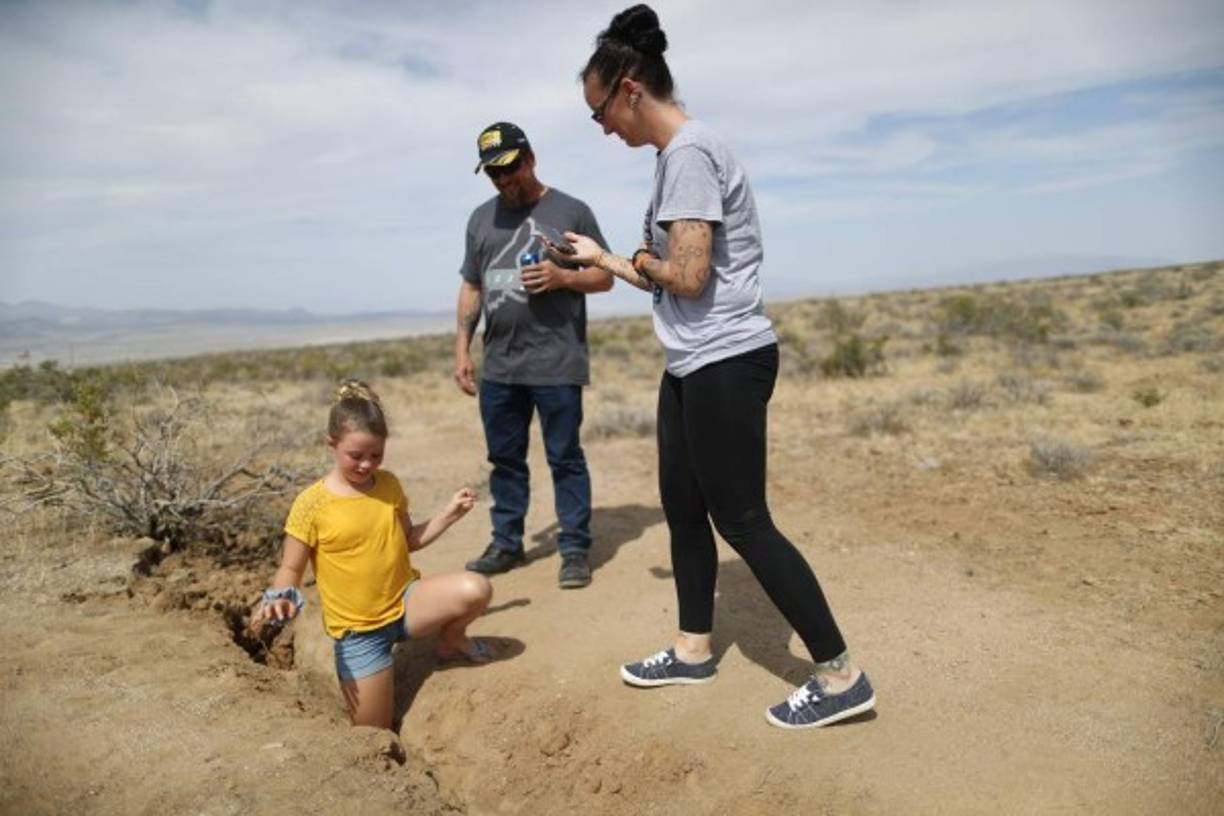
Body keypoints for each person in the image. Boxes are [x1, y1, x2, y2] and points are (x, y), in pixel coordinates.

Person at [555, 4, 876, 729]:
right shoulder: (675, 158)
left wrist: (636, 258)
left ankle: (840, 676)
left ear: (629, 89)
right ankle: (693, 649)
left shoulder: (689, 154)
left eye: (600, 112)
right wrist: (602, 259)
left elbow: (691, 276)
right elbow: (671, 275)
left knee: (743, 519)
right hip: (690, 362)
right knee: (683, 505)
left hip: (726, 358)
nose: (602, 128)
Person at [253, 380, 493, 731]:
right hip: (359, 634)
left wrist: (449, 516)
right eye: (356, 455)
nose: (367, 465)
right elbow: (291, 566)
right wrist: (280, 595)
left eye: (376, 455)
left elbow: (407, 540)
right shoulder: (310, 505)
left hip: (406, 603)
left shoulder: (389, 484)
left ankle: (451, 641)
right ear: (332, 444)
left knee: (476, 589)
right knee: (373, 735)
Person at [455, 121, 613, 589]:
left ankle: (574, 549)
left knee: (565, 458)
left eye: (510, 168)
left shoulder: (571, 211)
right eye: (493, 173)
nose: (503, 179)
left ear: (530, 158)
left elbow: (605, 275)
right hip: (501, 366)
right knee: (505, 460)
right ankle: (506, 543)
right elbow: (472, 286)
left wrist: (564, 278)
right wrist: (462, 349)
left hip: (556, 362)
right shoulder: (480, 220)